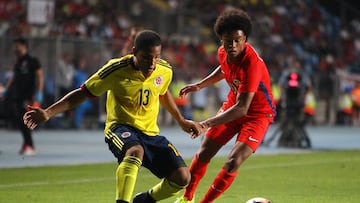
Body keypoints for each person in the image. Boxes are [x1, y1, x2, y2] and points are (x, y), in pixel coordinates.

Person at [23, 30, 202, 203]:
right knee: (135, 152)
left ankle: (145, 200)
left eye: (156, 56)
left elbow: (162, 93)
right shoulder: (114, 70)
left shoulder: (164, 70)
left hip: (150, 133)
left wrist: (181, 121)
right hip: (119, 127)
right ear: (134, 52)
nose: (152, 63)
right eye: (147, 56)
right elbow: (82, 93)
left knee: (182, 177)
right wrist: (48, 112)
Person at [175, 8, 276, 203]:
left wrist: (205, 124)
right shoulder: (223, 52)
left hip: (257, 114)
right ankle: (187, 199)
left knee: (233, 161)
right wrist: (199, 85)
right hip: (234, 103)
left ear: (245, 38)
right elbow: (223, 68)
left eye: (238, 40)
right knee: (204, 152)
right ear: (221, 39)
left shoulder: (251, 63)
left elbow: (242, 108)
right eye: (228, 40)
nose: (233, 45)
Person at [2, 37, 44, 156]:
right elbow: (14, 77)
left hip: (28, 96)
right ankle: (26, 144)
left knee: (25, 121)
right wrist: (6, 89)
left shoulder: (32, 60)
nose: (14, 48)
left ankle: (30, 146)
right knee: (20, 121)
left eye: (16, 45)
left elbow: (40, 76)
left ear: (23, 46)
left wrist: (39, 93)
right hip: (17, 95)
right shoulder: (19, 61)